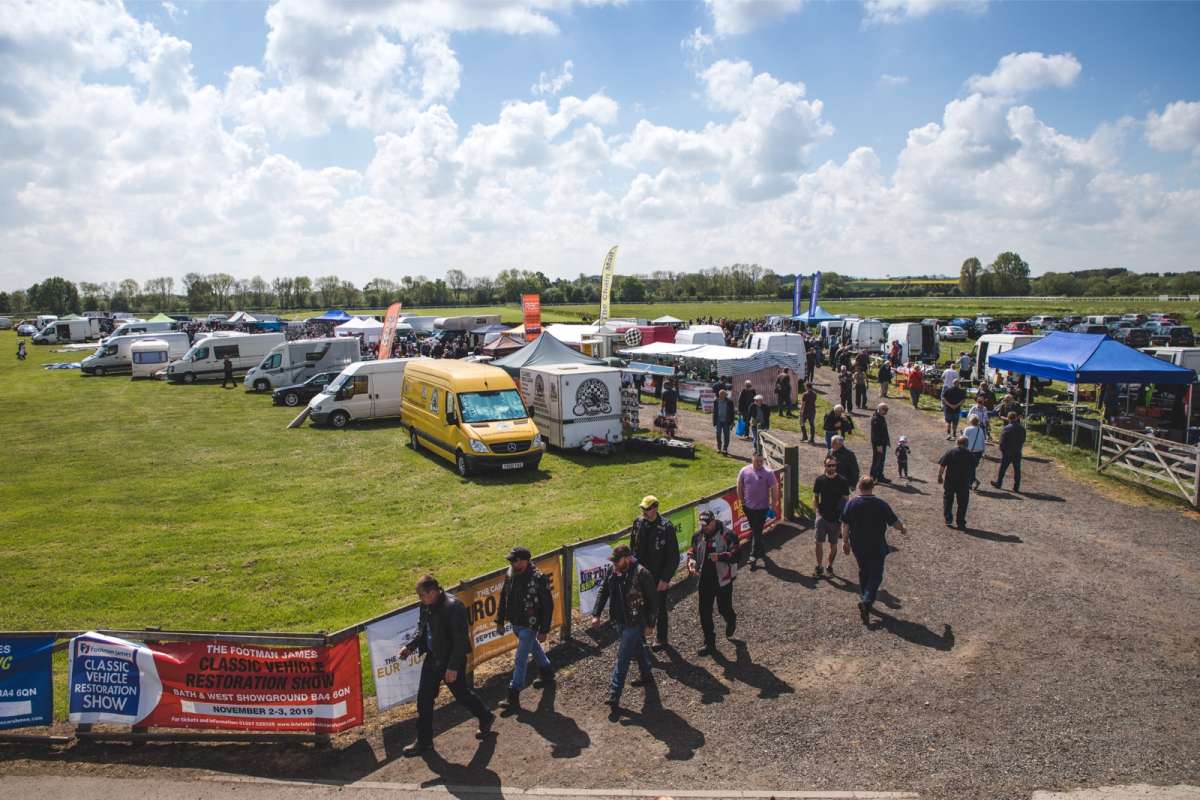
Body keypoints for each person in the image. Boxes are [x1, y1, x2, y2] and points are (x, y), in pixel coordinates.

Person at [398, 575, 495, 755]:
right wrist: (410, 647)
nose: (421, 599)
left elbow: (460, 640)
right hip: (432, 658)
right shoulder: (426, 606)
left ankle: (485, 716)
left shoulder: (453, 606)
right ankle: (424, 740)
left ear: (433, 591)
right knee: (424, 700)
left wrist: (452, 667)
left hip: (450, 660)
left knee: (462, 695)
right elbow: (423, 631)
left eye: (423, 595)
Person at [589, 544, 658, 710]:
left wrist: (650, 623)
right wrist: (596, 614)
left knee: (623, 656)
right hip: (619, 620)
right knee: (637, 648)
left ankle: (615, 693)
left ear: (627, 559)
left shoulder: (642, 574)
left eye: (617, 561)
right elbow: (604, 591)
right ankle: (646, 673)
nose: (614, 564)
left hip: (635, 622)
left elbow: (653, 601)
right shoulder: (613, 571)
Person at [495, 547, 555, 715]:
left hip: (529, 627)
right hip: (516, 624)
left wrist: (544, 629)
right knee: (534, 648)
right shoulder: (510, 575)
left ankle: (513, 695)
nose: (511, 563)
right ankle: (547, 673)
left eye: (514, 561)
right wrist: (500, 621)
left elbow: (548, 605)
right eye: (510, 561)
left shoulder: (538, 578)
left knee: (520, 660)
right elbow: (503, 598)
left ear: (524, 560)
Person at [841, 478, 907, 624]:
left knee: (863, 570)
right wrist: (903, 528)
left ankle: (864, 596)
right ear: (873, 487)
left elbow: (845, 525)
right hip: (876, 544)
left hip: (858, 544)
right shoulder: (880, 504)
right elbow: (894, 522)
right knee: (876, 575)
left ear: (859, 486)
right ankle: (866, 601)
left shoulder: (851, 503)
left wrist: (845, 542)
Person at [686, 509, 740, 654]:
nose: (705, 528)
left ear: (714, 521)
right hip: (704, 581)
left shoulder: (728, 535)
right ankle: (709, 643)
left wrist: (721, 557)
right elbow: (692, 551)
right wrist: (691, 562)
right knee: (704, 612)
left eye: (707, 525)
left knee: (723, 608)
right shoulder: (698, 536)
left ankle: (731, 618)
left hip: (723, 580)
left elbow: (737, 554)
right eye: (702, 525)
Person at [629, 496, 679, 649]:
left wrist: (665, 579)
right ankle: (642, 638)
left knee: (659, 607)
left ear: (655, 508)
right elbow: (632, 546)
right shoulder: (638, 523)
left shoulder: (666, 527)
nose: (644, 512)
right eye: (642, 509)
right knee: (639, 606)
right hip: (640, 574)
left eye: (647, 509)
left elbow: (673, 557)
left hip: (658, 575)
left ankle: (661, 638)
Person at [738, 451, 780, 570]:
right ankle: (761, 549)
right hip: (748, 507)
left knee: (756, 531)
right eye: (757, 461)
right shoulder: (744, 471)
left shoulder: (768, 473)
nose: (760, 463)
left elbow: (774, 489)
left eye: (761, 461)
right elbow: (739, 486)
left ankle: (752, 556)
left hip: (762, 508)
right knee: (756, 530)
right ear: (752, 459)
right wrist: (742, 502)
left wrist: (773, 505)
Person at [812, 456, 850, 577]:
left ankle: (829, 566)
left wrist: (842, 517)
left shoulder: (842, 481)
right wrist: (817, 512)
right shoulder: (819, 480)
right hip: (822, 516)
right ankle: (819, 566)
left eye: (834, 465)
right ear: (825, 466)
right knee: (818, 542)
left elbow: (846, 500)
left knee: (833, 545)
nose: (832, 467)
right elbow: (815, 496)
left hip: (835, 519)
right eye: (829, 465)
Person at [938, 435, 975, 530]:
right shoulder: (970, 454)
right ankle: (960, 522)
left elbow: (942, 465)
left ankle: (948, 518)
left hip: (950, 481)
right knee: (962, 503)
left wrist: (940, 476)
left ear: (957, 443)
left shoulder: (950, 452)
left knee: (948, 499)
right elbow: (974, 466)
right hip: (963, 482)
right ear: (967, 444)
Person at [992, 412, 1027, 492]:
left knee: (1003, 468)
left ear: (1008, 418)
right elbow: (1023, 440)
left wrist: (1002, 449)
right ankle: (1016, 487)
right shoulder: (1022, 428)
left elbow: (1002, 441)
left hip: (1007, 451)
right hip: (1017, 451)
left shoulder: (1006, 428)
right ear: (1016, 418)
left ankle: (999, 483)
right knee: (1017, 470)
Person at [963, 415, 986, 490]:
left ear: (970, 421)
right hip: (979, 451)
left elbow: (964, 440)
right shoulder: (981, 430)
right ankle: (972, 482)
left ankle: (972, 482)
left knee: (969, 468)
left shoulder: (967, 429)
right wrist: (983, 452)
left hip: (970, 451)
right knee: (972, 468)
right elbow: (983, 441)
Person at [869, 403, 891, 482]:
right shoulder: (876, 419)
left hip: (882, 443)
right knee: (876, 460)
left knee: (881, 460)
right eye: (885, 410)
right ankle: (872, 478)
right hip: (878, 444)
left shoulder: (880, 417)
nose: (886, 412)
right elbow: (875, 434)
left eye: (886, 410)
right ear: (880, 409)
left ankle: (879, 476)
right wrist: (878, 445)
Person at [711, 388, 735, 455]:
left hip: (726, 421)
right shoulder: (716, 401)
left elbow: (732, 412)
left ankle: (725, 449)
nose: (720, 396)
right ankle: (719, 448)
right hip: (718, 420)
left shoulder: (730, 402)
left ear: (725, 395)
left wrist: (732, 421)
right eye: (720, 394)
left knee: (726, 435)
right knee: (718, 434)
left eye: (722, 394)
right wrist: (714, 421)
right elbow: (714, 411)